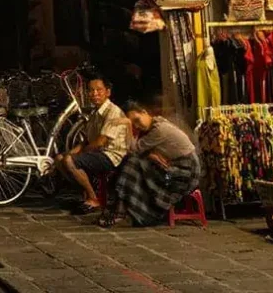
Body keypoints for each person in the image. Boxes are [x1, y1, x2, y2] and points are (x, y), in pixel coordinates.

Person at [99, 101, 201, 228]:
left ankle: (130, 212)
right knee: (135, 165)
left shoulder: (159, 129)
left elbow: (133, 149)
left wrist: (129, 126)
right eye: (134, 123)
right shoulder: (156, 125)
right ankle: (123, 209)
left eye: (137, 120)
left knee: (133, 163)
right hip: (170, 168)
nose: (137, 125)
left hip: (181, 174)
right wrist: (150, 155)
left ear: (144, 112)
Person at [54, 77, 127, 215]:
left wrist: (74, 157)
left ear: (108, 92)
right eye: (91, 91)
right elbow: (86, 141)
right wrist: (70, 153)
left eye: (99, 90)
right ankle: (85, 193)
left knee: (70, 161)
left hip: (110, 155)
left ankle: (93, 199)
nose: (94, 94)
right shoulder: (94, 113)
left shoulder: (113, 112)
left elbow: (100, 141)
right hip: (96, 153)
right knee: (60, 159)